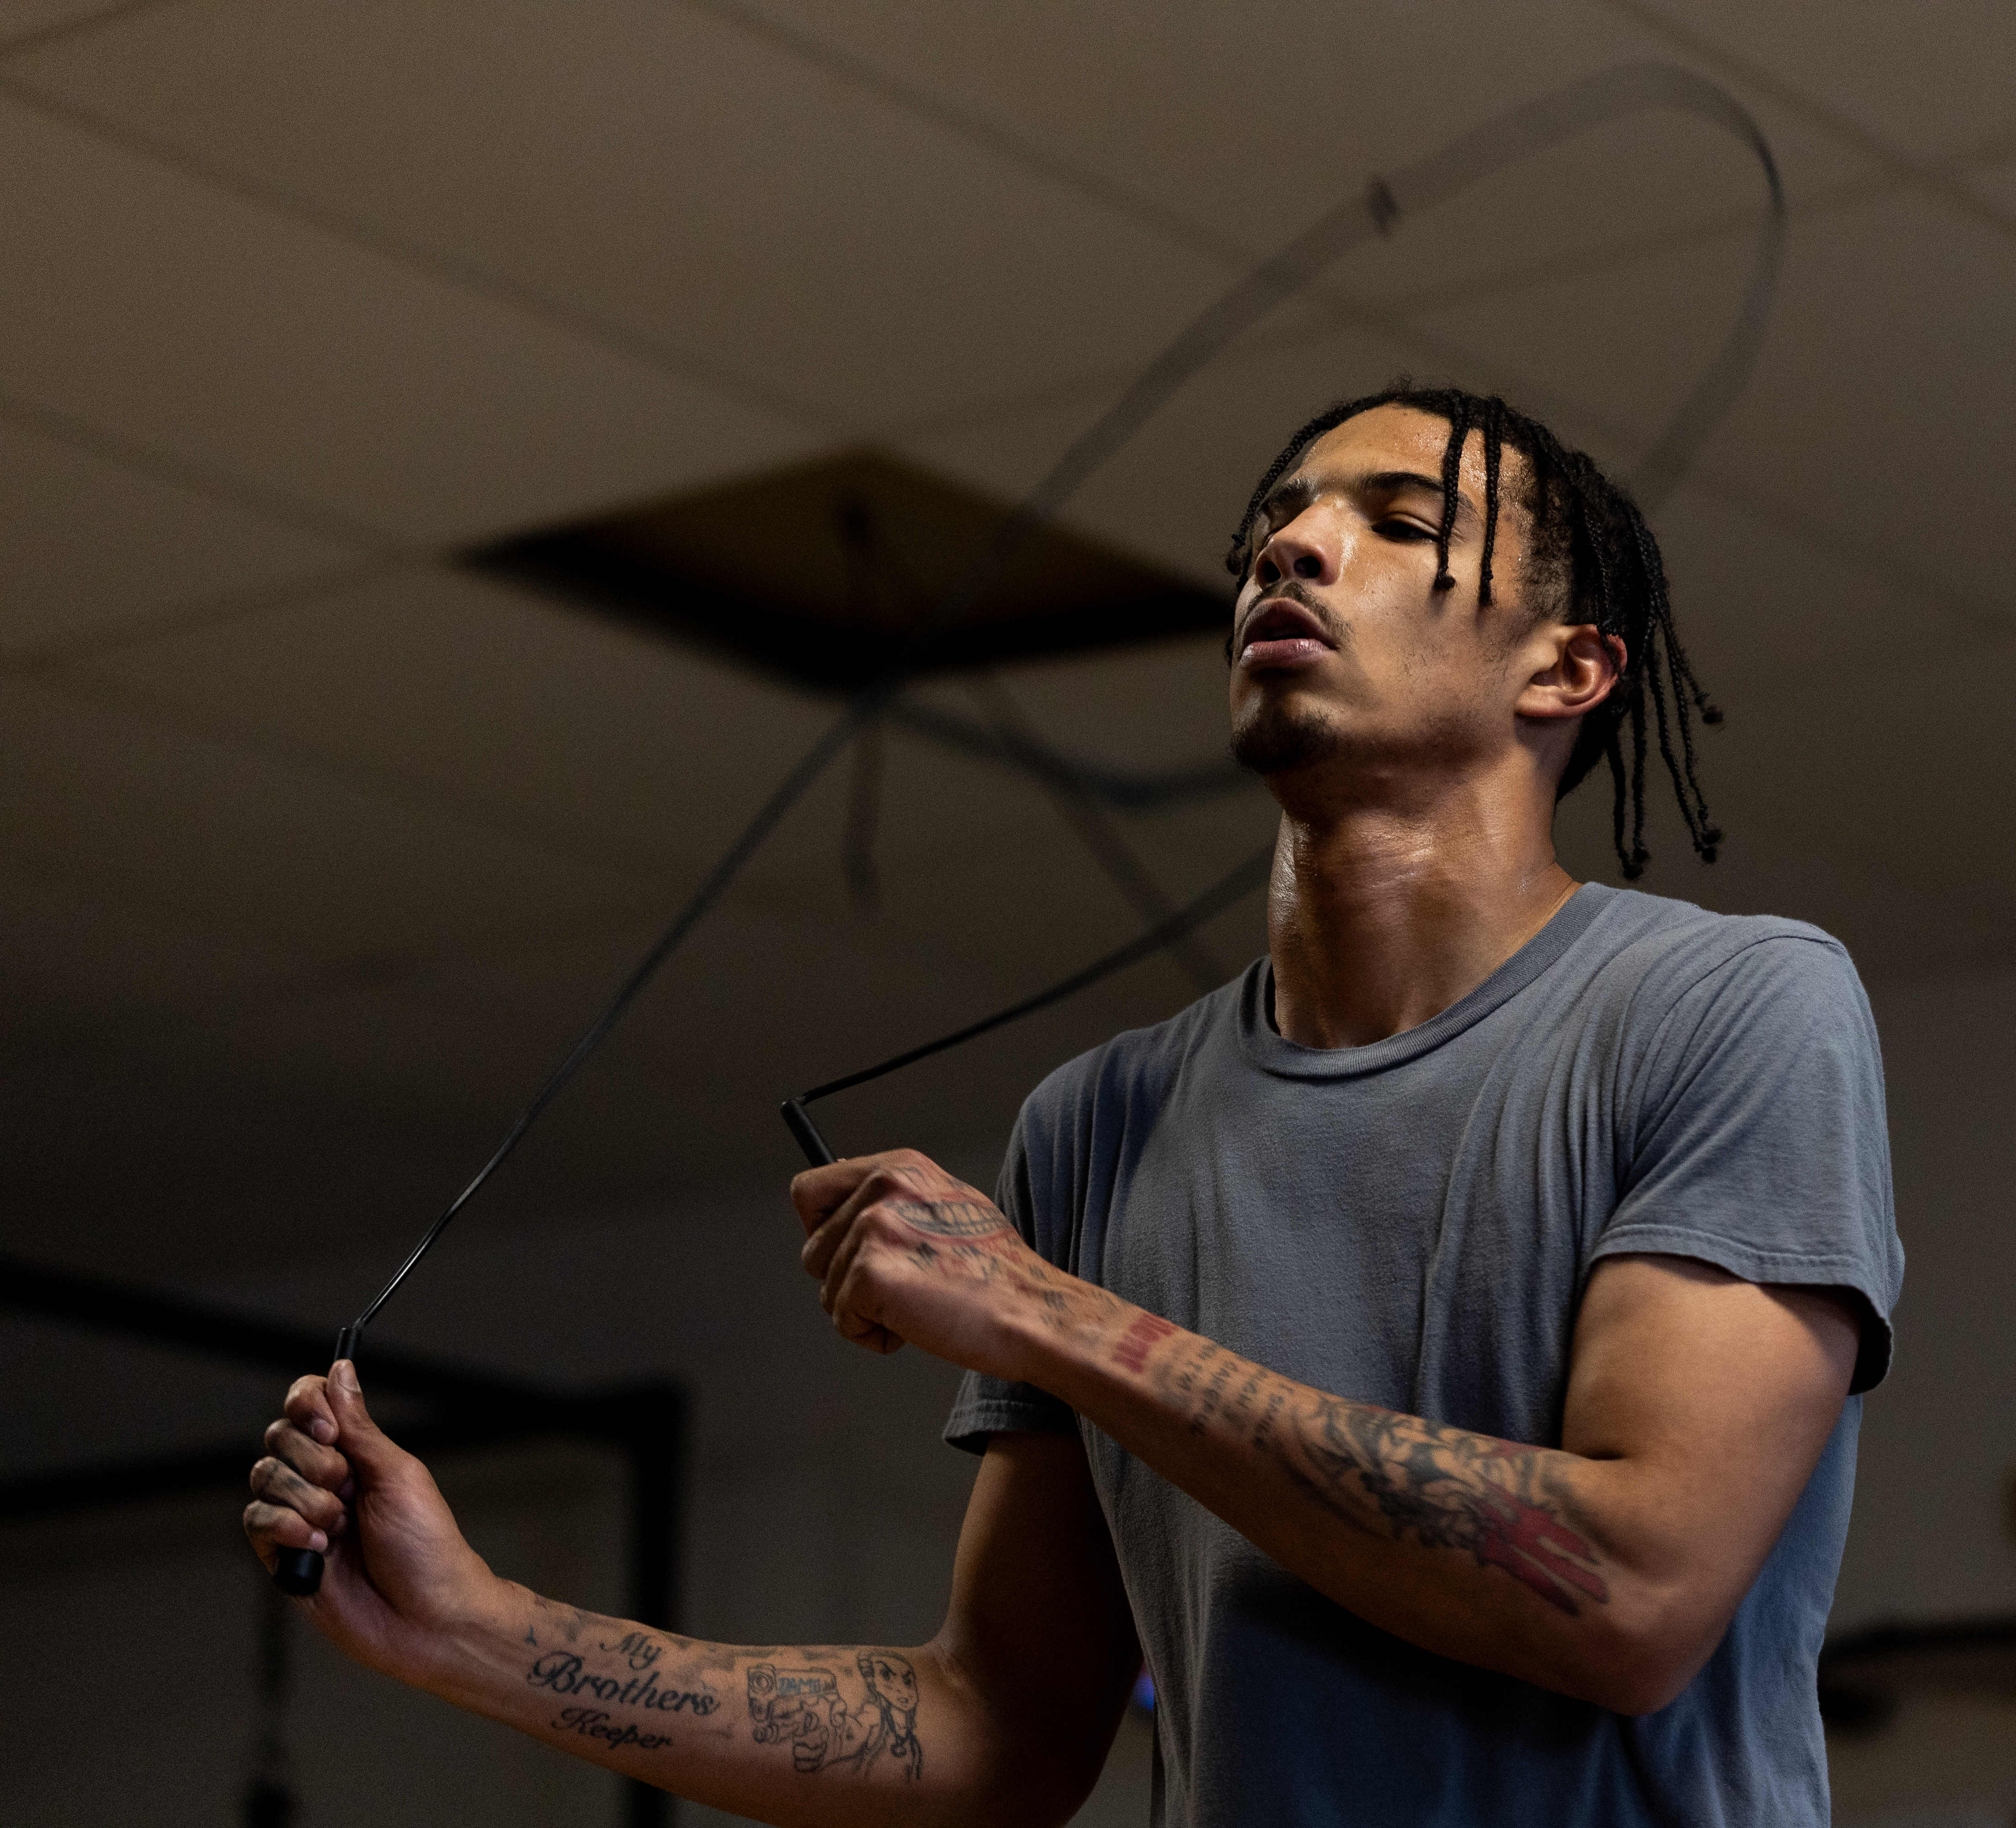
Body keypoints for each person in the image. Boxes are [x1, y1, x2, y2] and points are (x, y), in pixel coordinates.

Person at [244, 384, 1904, 1827]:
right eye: (1278, 518)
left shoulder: (1729, 1006)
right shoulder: (1103, 1123)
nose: (1294, 547)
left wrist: (1050, 1316)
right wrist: (482, 1632)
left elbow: (1632, 1592)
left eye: (1397, 519)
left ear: (1571, 669)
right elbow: (996, 1736)